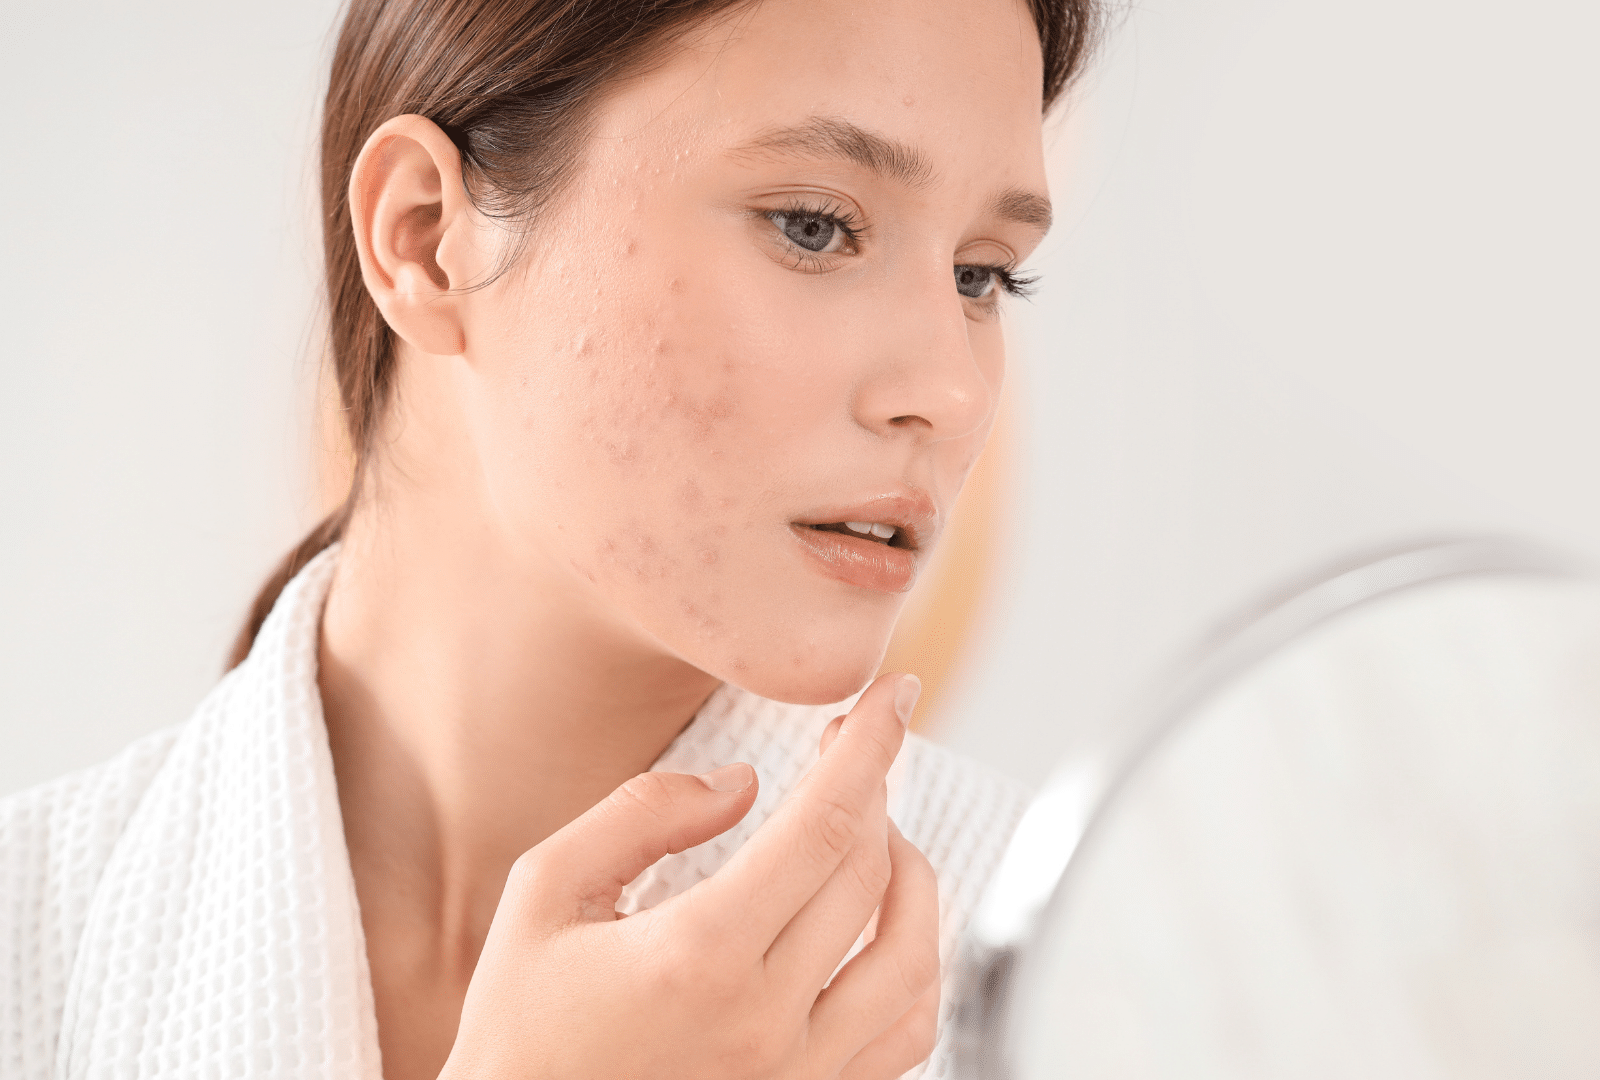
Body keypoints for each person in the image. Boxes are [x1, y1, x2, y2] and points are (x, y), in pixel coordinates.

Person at [0, 0, 1097, 1075]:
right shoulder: (27, 951)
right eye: (813, 224)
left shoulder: (1092, 985)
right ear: (425, 238)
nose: (951, 389)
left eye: (980, 275)